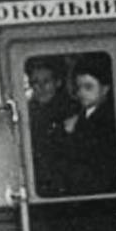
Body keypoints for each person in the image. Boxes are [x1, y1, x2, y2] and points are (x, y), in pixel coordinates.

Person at [59, 56, 116, 195]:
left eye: (88, 87)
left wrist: (71, 134)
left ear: (105, 89)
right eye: (78, 87)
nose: (81, 93)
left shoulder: (107, 121)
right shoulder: (79, 115)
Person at [25, 59, 76, 196]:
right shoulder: (26, 113)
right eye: (35, 82)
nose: (41, 87)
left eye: (46, 81)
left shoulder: (72, 110)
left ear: (58, 83)